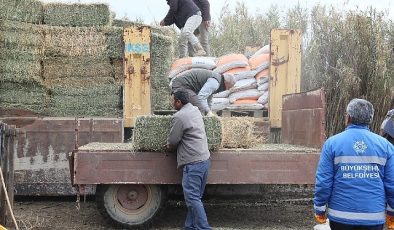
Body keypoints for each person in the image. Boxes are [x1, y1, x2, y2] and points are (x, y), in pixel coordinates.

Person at [313, 98, 394, 230]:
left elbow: (323, 182)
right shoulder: (386, 146)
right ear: (370, 119)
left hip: (340, 217)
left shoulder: (332, 144)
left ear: (349, 117)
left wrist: (320, 209)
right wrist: (391, 213)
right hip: (373, 217)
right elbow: (392, 184)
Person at [165, 90, 211, 230]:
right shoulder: (195, 109)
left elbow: (173, 140)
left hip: (193, 163)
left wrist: (168, 146)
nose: (172, 103)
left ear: (179, 102)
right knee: (195, 198)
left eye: (173, 100)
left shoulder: (180, 116)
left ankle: (204, 228)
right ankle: (189, 226)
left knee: (192, 198)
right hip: (204, 159)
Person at [170, 69, 235, 116]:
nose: (229, 89)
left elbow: (209, 97)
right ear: (226, 82)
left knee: (202, 108)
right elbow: (201, 97)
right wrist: (208, 111)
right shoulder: (215, 83)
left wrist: (209, 111)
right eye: (230, 86)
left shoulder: (218, 81)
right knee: (200, 107)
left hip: (186, 86)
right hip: (181, 85)